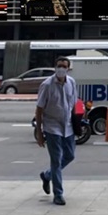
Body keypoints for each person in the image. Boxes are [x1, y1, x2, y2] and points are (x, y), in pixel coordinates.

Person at [35, 56, 79, 205]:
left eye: (64, 66)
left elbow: (74, 103)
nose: (61, 69)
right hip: (52, 127)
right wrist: (39, 132)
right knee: (56, 160)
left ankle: (47, 176)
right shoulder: (47, 85)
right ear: (55, 67)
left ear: (68, 68)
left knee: (70, 155)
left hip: (68, 126)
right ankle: (58, 194)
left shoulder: (71, 82)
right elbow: (39, 108)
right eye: (59, 66)